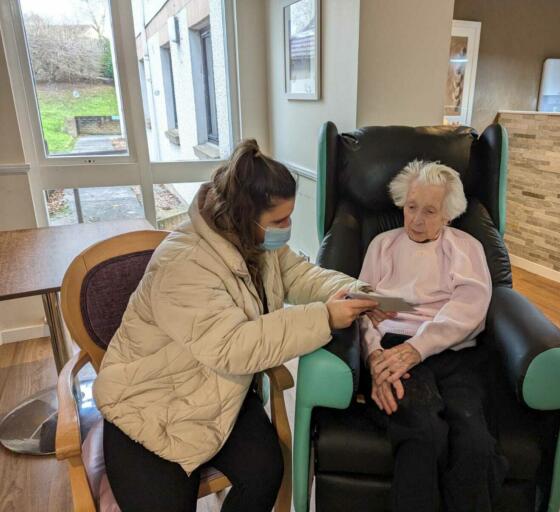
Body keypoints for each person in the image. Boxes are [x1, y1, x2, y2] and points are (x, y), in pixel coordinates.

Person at [93, 139, 381, 512]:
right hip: (148, 402)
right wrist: (323, 317)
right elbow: (233, 347)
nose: (288, 227)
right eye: (280, 220)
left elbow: (299, 275)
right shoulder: (183, 265)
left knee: (265, 471)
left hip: (218, 392)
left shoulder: (257, 242)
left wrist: (352, 291)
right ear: (245, 215)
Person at [358, 160, 507, 512]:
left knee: (475, 443)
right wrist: (373, 358)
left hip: (455, 352)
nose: (417, 220)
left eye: (430, 211)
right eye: (411, 207)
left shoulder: (465, 247)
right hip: (394, 347)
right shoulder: (382, 245)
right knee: (423, 433)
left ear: (448, 215)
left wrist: (419, 346)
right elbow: (362, 307)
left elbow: (470, 306)